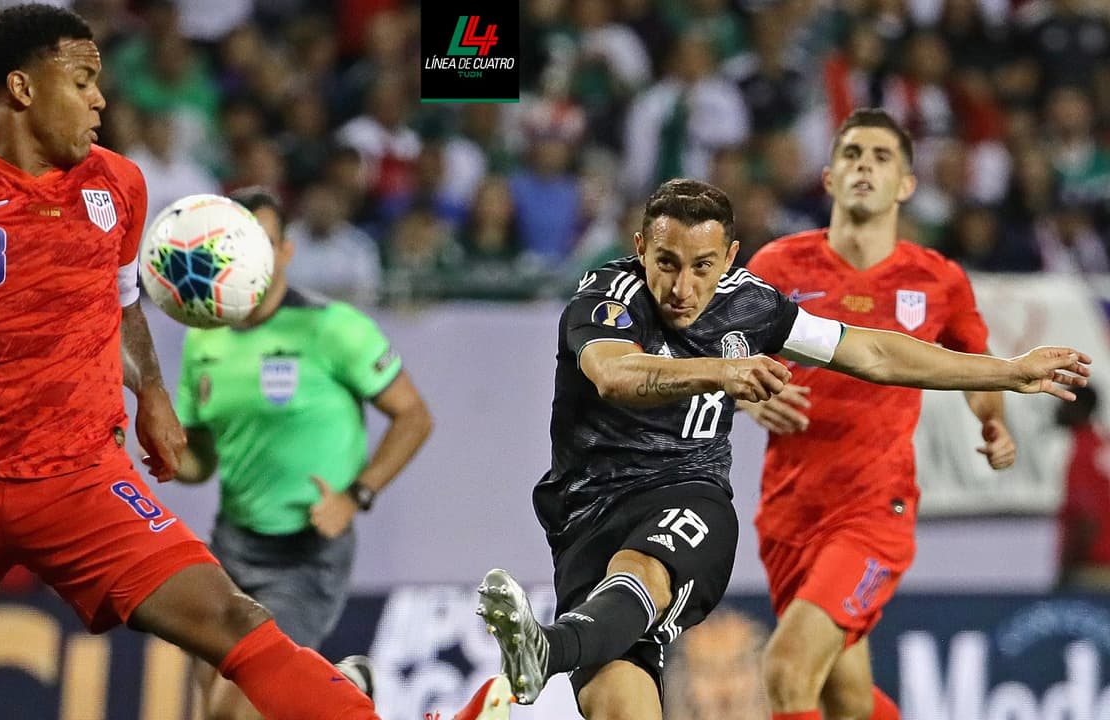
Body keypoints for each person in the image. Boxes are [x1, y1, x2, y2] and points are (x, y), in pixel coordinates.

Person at [0, 5, 381, 719]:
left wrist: (153, 394)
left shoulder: (119, 186)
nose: (102, 99)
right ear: (22, 88)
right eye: (83, 79)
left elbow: (123, 297)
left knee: (234, 619)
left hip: (81, 478)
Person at [472, 177, 1089, 720]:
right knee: (616, 699)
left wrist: (1005, 371)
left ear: (731, 258)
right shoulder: (606, 296)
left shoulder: (754, 305)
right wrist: (723, 372)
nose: (682, 286)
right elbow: (615, 375)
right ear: (639, 249)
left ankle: (545, 649)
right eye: (666, 262)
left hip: (689, 496)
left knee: (644, 572)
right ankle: (554, 646)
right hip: (585, 515)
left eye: (702, 266)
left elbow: (872, 352)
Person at [740, 108, 1012, 720]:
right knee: (846, 698)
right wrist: (747, 392)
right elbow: (721, 355)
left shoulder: (936, 279)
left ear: (906, 185)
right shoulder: (777, 267)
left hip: (873, 513)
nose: (865, 166)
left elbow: (974, 361)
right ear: (830, 177)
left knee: (786, 670)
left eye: (881, 157)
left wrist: (991, 420)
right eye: (852, 155)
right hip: (788, 511)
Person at [176, 186, 433, 720]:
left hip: (305, 555)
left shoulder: (332, 328)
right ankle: (344, 687)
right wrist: (165, 453)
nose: (252, 258)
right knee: (213, 710)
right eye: (238, 245)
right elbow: (199, 462)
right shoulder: (206, 339)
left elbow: (414, 416)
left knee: (237, 710)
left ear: (286, 251)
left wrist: (356, 494)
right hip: (232, 545)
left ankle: (338, 686)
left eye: (264, 243)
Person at [1055, 386, 1110, 593]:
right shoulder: (1102, 444)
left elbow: (1084, 517)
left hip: (1093, 567)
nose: (1059, 409)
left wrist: (1065, 567)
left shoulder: (1082, 452)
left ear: (1079, 407)